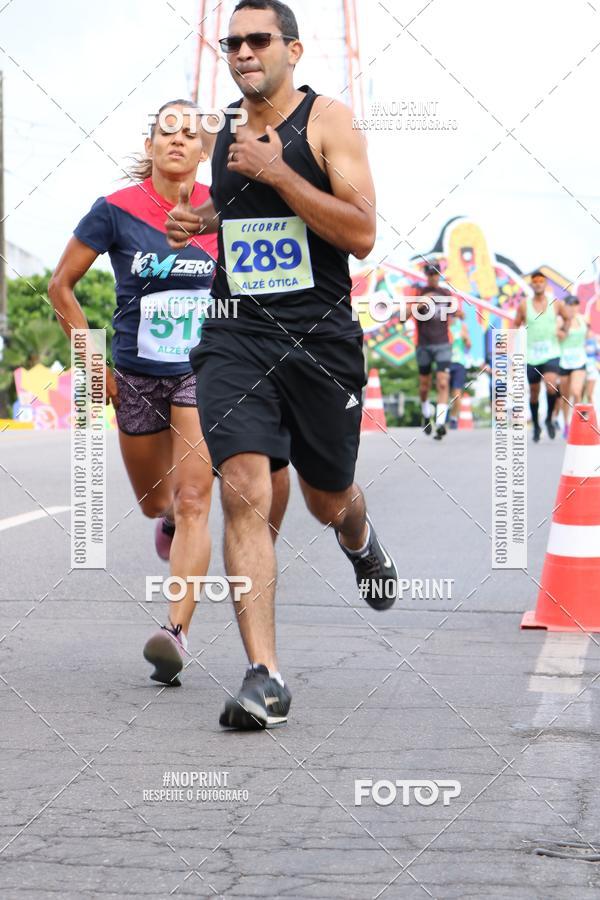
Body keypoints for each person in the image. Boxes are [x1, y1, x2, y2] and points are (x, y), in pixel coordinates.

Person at [166, 0, 398, 730]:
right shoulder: (224, 130)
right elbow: (246, 212)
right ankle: (265, 674)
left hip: (321, 340)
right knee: (242, 488)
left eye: (256, 39)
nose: (241, 51)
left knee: (328, 498)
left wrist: (282, 174)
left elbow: (360, 233)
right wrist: (202, 220)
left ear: (292, 50)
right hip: (236, 332)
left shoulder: (329, 122)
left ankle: (358, 536)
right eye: (231, 41)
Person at [49, 98, 290, 687]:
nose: (178, 140)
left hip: (204, 369)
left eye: (190, 133)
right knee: (157, 505)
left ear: (205, 149)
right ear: (151, 145)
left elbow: (265, 286)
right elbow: (61, 287)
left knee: (191, 502)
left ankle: (175, 633)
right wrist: (92, 365)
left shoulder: (225, 208)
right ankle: (168, 529)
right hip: (134, 371)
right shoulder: (115, 210)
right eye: (167, 131)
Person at [513, 271, 564, 442]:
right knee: (534, 393)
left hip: (551, 353)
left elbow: (567, 318)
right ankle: (536, 425)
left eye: (541, 281)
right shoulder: (523, 305)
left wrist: (563, 330)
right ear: (531, 284)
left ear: (545, 283)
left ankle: (549, 418)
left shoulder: (555, 304)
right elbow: (515, 326)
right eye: (534, 281)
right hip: (532, 356)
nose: (537, 283)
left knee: (551, 386)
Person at [409, 263, 458, 440]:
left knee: (443, 383)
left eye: (436, 274)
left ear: (439, 275)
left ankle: (440, 423)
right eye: (430, 274)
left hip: (443, 343)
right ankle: (425, 413)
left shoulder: (446, 293)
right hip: (423, 344)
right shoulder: (419, 292)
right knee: (424, 386)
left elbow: (457, 313)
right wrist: (419, 304)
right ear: (426, 275)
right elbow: (404, 316)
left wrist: (457, 314)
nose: (433, 277)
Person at [558, 296, 589, 438]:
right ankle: (566, 424)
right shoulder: (560, 320)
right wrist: (567, 322)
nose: (573, 307)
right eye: (570, 305)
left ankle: (579, 423)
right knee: (565, 396)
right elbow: (559, 337)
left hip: (579, 361)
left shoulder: (583, 319)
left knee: (576, 392)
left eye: (575, 304)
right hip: (564, 361)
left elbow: (587, 336)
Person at [448, 315, 471, 429]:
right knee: (444, 391)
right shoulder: (442, 326)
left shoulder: (461, 326)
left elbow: (468, 346)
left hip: (459, 363)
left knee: (457, 395)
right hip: (445, 362)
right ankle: (442, 418)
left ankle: (453, 418)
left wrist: (466, 338)